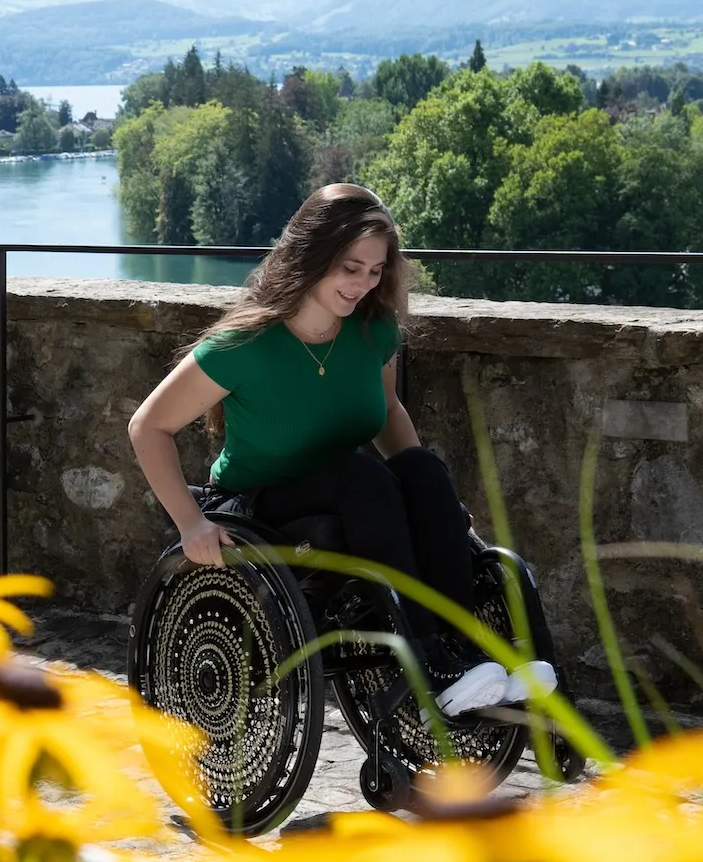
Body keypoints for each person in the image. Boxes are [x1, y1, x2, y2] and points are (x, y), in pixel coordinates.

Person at [126, 184, 554, 719]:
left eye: (375, 271)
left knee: (420, 469)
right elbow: (148, 427)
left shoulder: (372, 331)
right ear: (311, 254)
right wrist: (191, 525)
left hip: (347, 491)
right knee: (363, 476)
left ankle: (462, 654)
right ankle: (426, 665)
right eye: (351, 267)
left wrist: (434, 504)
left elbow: (390, 412)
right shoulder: (244, 345)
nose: (363, 284)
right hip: (264, 505)